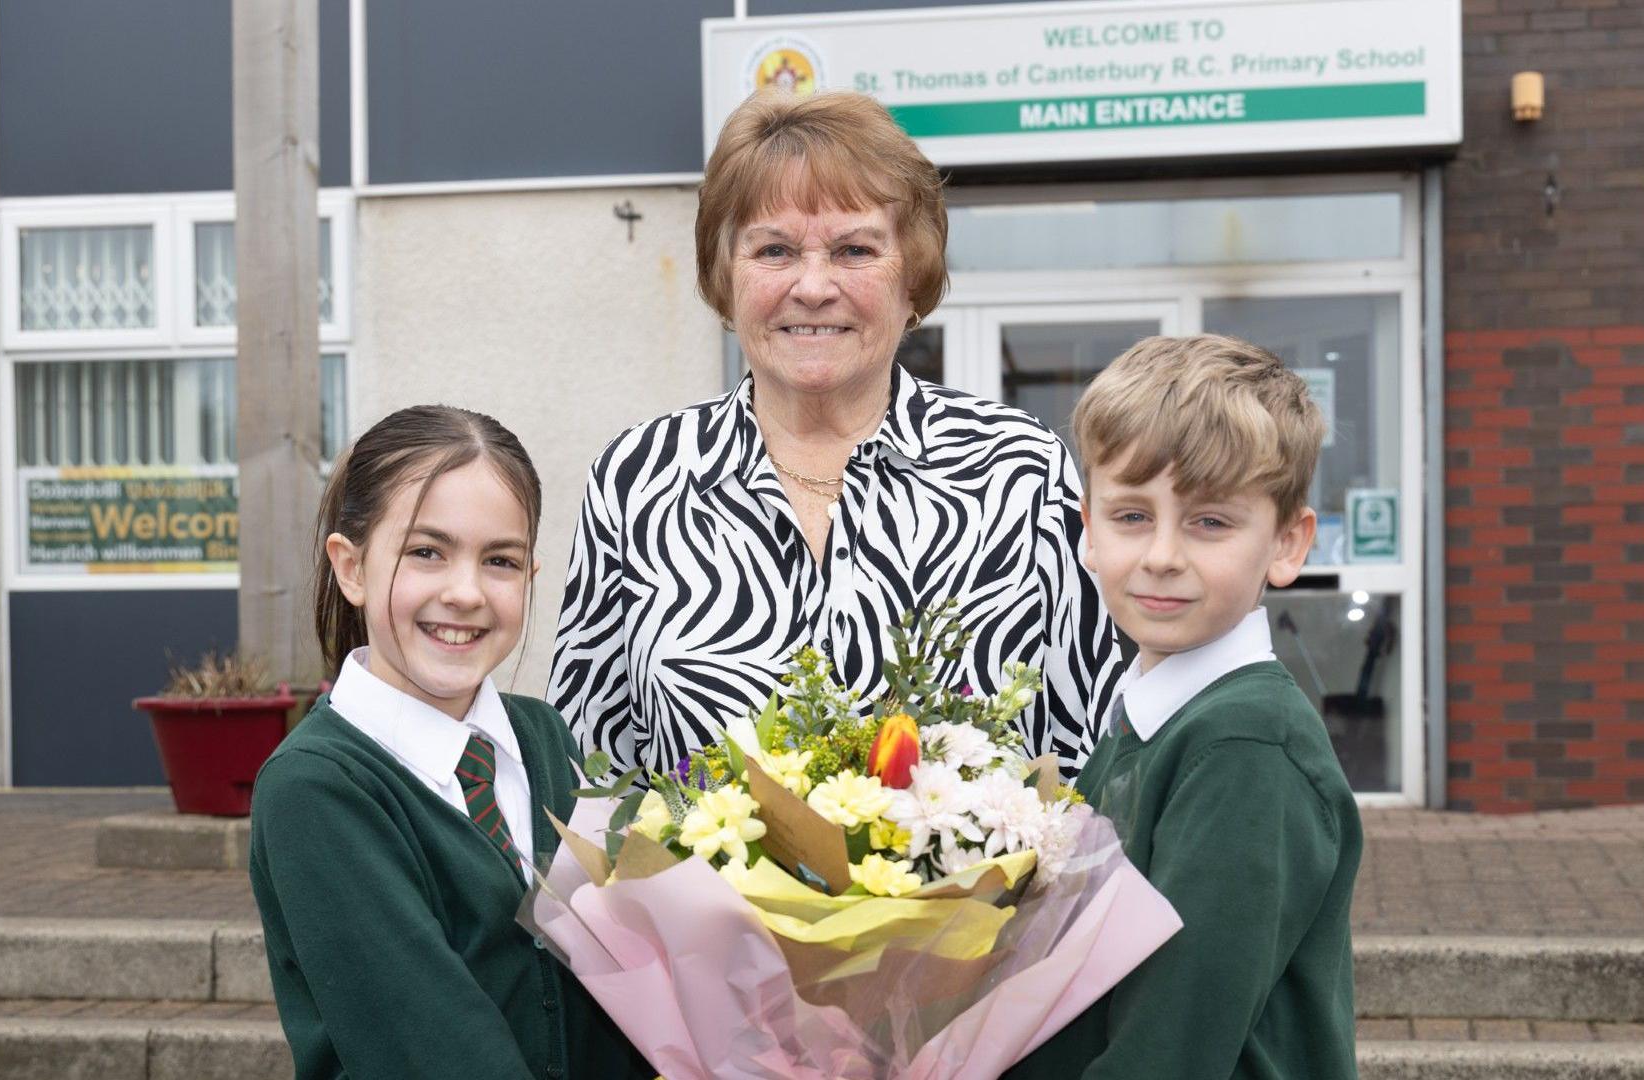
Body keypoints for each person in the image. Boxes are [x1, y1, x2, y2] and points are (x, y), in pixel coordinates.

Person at [549, 88, 1121, 779]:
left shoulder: (1018, 469)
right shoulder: (639, 479)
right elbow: (592, 773)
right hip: (700, 891)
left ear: (913, 277)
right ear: (724, 278)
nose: (814, 287)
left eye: (854, 250)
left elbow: (1091, 758)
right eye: (775, 250)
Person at [248, 405, 646, 1080]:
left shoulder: (544, 738)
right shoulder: (317, 790)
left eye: (500, 560)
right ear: (352, 567)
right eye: (426, 552)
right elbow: (432, 1049)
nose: (465, 593)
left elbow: (641, 968)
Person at [1007, 335, 1364, 1080]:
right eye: (1132, 517)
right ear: (1088, 533)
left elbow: (1169, 1052)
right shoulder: (1151, 716)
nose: (1163, 554)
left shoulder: (1245, 751)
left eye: (1210, 522)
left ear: (1288, 544)